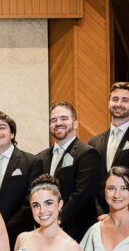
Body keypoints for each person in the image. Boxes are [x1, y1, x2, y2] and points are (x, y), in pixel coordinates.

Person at [88, 82, 129, 218]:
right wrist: (101, 214)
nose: (119, 104)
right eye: (115, 99)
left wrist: (119, 212)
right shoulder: (94, 142)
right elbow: (91, 183)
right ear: (109, 103)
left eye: (125, 100)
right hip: (101, 218)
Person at [34, 102, 100, 242]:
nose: (58, 123)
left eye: (64, 118)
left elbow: (82, 194)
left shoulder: (87, 153)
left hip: (75, 230)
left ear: (75, 124)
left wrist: (57, 219)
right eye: (54, 120)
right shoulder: (40, 158)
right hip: (45, 229)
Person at [0, 110, 41, 245]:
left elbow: (31, 201)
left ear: (12, 133)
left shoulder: (31, 162)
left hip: (18, 237)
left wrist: (3, 229)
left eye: (2, 128)